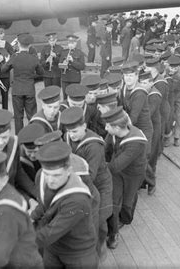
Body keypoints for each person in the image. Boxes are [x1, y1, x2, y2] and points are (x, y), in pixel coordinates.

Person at [31, 141, 98, 268]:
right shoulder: (46, 179)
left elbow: (50, 232)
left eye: (56, 175)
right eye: (47, 174)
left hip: (77, 254)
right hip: (54, 248)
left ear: (69, 171)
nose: (50, 180)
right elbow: (45, 203)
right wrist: (31, 217)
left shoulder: (78, 199)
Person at [61, 106, 113, 255]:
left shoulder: (94, 145)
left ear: (84, 126)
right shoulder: (67, 137)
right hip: (82, 182)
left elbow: (90, 175)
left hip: (99, 184)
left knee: (99, 219)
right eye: (69, 132)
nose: (71, 136)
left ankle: (99, 247)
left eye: (75, 131)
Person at [102, 107, 147, 249]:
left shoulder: (136, 141)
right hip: (117, 171)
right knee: (114, 201)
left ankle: (126, 218)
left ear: (116, 127)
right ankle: (113, 233)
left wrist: (99, 168)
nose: (105, 128)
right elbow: (105, 148)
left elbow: (115, 166)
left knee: (128, 200)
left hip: (133, 173)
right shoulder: (114, 133)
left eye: (108, 126)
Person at [1, 33, 43, 133]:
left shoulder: (14, 57)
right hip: (29, 89)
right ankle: (33, 135)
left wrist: (7, 61)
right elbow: (41, 73)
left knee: (18, 116)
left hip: (17, 90)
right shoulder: (33, 58)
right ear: (29, 45)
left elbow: (3, 70)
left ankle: (19, 137)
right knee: (32, 115)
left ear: (18, 44)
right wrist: (31, 76)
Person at [167, 55, 180, 147]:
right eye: (171, 67)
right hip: (172, 93)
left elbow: (171, 88)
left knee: (177, 114)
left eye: (174, 68)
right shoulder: (168, 68)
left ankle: (176, 137)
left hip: (179, 94)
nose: (171, 69)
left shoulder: (179, 75)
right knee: (170, 113)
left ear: (178, 67)